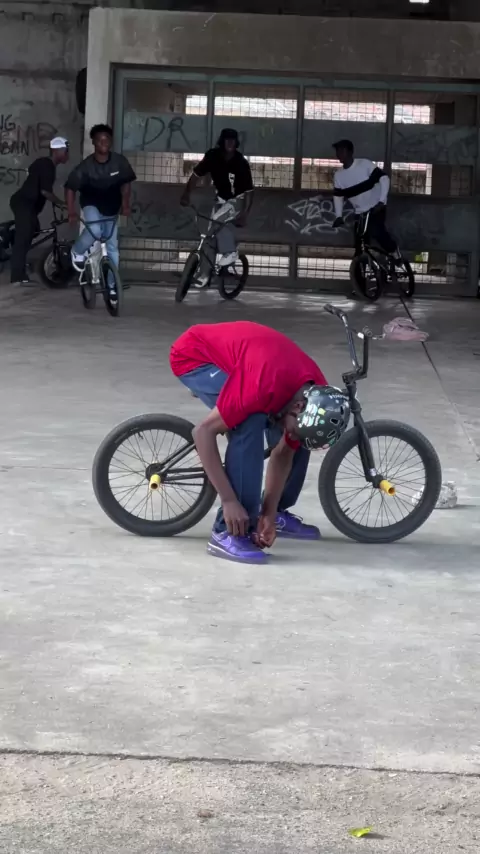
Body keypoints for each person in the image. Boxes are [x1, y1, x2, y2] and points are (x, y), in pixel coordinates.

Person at [170, 321, 350, 565]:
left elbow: (283, 454)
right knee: (249, 422)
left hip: (256, 364)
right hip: (195, 356)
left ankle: (276, 515)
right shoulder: (259, 386)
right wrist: (229, 500)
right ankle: (226, 533)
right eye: (294, 429)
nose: (291, 435)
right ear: (298, 407)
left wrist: (269, 513)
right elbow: (202, 432)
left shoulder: (318, 397)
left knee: (298, 440)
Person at [180, 128, 254, 286]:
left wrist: (245, 214)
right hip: (221, 199)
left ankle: (230, 252)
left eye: (233, 140)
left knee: (216, 220)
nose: (230, 143)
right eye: (227, 140)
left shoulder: (241, 163)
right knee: (208, 235)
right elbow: (195, 176)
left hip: (237, 200)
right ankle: (204, 275)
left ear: (236, 142)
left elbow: (249, 191)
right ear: (222, 141)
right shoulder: (212, 156)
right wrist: (187, 193)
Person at [65, 124, 136, 275]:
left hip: (112, 206)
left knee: (112, 247)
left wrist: (125, 204)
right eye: (100, 139)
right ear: (93, 142)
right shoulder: (86, 166)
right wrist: (71, 212)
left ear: (111, 141)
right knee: (95, 230)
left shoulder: (119, 161)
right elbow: (70, 188)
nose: (104, 142)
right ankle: (77, 251)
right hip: (91, 203)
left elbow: (126, 183)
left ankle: (112, 285)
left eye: (107, 139)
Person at [9, 136, 69, 285]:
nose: (67, 154)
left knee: (33, 230)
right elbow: (45, 192)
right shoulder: (46, 165)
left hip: (28, 205)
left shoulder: (46, 164)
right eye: (65, 151)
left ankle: (12, 241)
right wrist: (61, 203)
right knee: (23, 238)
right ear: (56, 151)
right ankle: (17, 276)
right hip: (24, 203)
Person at [332, 139, 401, 259]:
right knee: (360, 243)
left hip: (375, 207)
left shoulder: (364, 164)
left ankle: (394, 251)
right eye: (337, 151)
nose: (339, 154)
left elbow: (384, 179)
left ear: (350, 152)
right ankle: (362, 265)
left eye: (342, 150)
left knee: (376, 231)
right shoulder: (338, 175)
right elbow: (338, 196)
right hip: (360, 211)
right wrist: (338, 216)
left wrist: (382, 201)